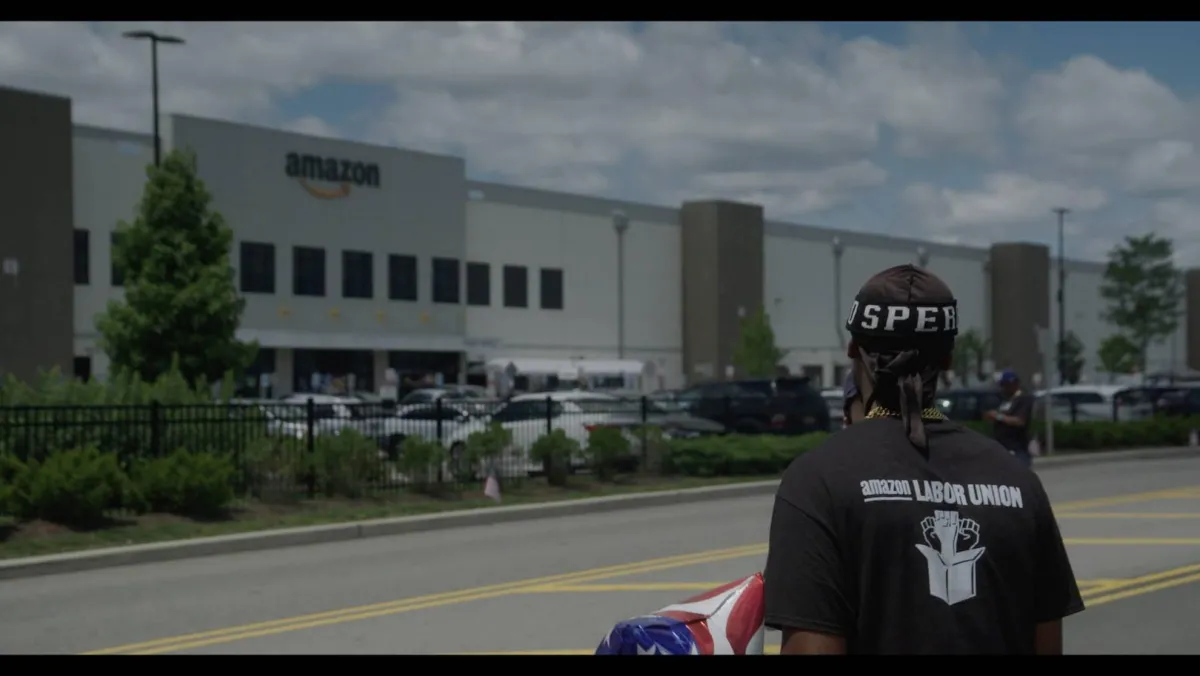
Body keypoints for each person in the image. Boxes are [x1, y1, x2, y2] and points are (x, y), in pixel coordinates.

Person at [762, 264, 1084, 655]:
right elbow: (1047, 645)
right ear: (948, 360)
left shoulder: (818, 480)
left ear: (852, 350)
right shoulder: (1018, 482)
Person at [986, 370, 1036, 468]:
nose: (1004, 388)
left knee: (1019, 473)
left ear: (1015, 384)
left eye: (1007, 385)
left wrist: (998, 416)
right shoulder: (1004, 399)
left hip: (1017, 447)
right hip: (1001, 446)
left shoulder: (1023, 399)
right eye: (1003, 385)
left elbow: (1020, 421)